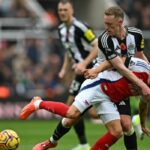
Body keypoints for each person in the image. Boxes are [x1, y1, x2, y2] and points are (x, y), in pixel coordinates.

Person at [20, 57, 150, 150]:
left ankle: (52, 142)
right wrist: (96, 70)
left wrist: (143, 125)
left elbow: (143, 106)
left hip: (110, 96)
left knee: (116, 132)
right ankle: (38, 103)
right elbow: (116, 60)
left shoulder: (147, 90)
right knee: (72, 114)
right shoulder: (141, 67)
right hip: (99, 84)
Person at [83, 6, 149, 150]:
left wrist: (148, 70)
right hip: (104, 81)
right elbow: (115, 64)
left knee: (126, 124)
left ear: (120, 22)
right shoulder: (105, 39)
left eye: (109, 24)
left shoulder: (136, 34)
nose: (106, 28)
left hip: (122, 81)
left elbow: (139, 57)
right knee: (76, 113)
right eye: (105, 24)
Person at [41, 0, 98, 150]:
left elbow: (97, 45)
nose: (63, 13)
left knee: (78, 110)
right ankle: (84, 144)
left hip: (92, 70)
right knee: (71, 109)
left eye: (65, 10)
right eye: (60, 10)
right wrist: (64, 69)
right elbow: (69, 50)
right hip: (80, 73)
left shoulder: (81, 27)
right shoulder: (60, 29)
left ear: (72, 10)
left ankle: (81, 143)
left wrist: (84, 63)